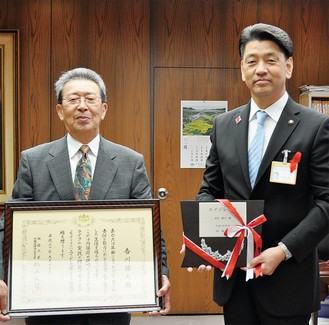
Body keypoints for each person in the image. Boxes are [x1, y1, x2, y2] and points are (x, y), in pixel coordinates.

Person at [181, 23, 329, 324]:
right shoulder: (223, 124)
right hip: (233, 279)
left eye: (270, 60)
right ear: (242, 70)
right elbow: (210, 189)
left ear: (288, 67)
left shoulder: (316, 126)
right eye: (252, 61)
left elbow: (326, 203)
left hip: (288, 279)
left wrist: (284, 250)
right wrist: (204, 241)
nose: (260, 68)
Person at [0, 67, 171, 324]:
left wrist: (160, 273)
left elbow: (149, 228)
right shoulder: (33, 161)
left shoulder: (130, 162)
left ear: (103, 109)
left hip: (110, 300)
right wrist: (2, 277)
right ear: (60, 111)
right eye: (72, 99)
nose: (82, 107)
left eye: (90, 99)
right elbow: (10, 227)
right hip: (49, 298)